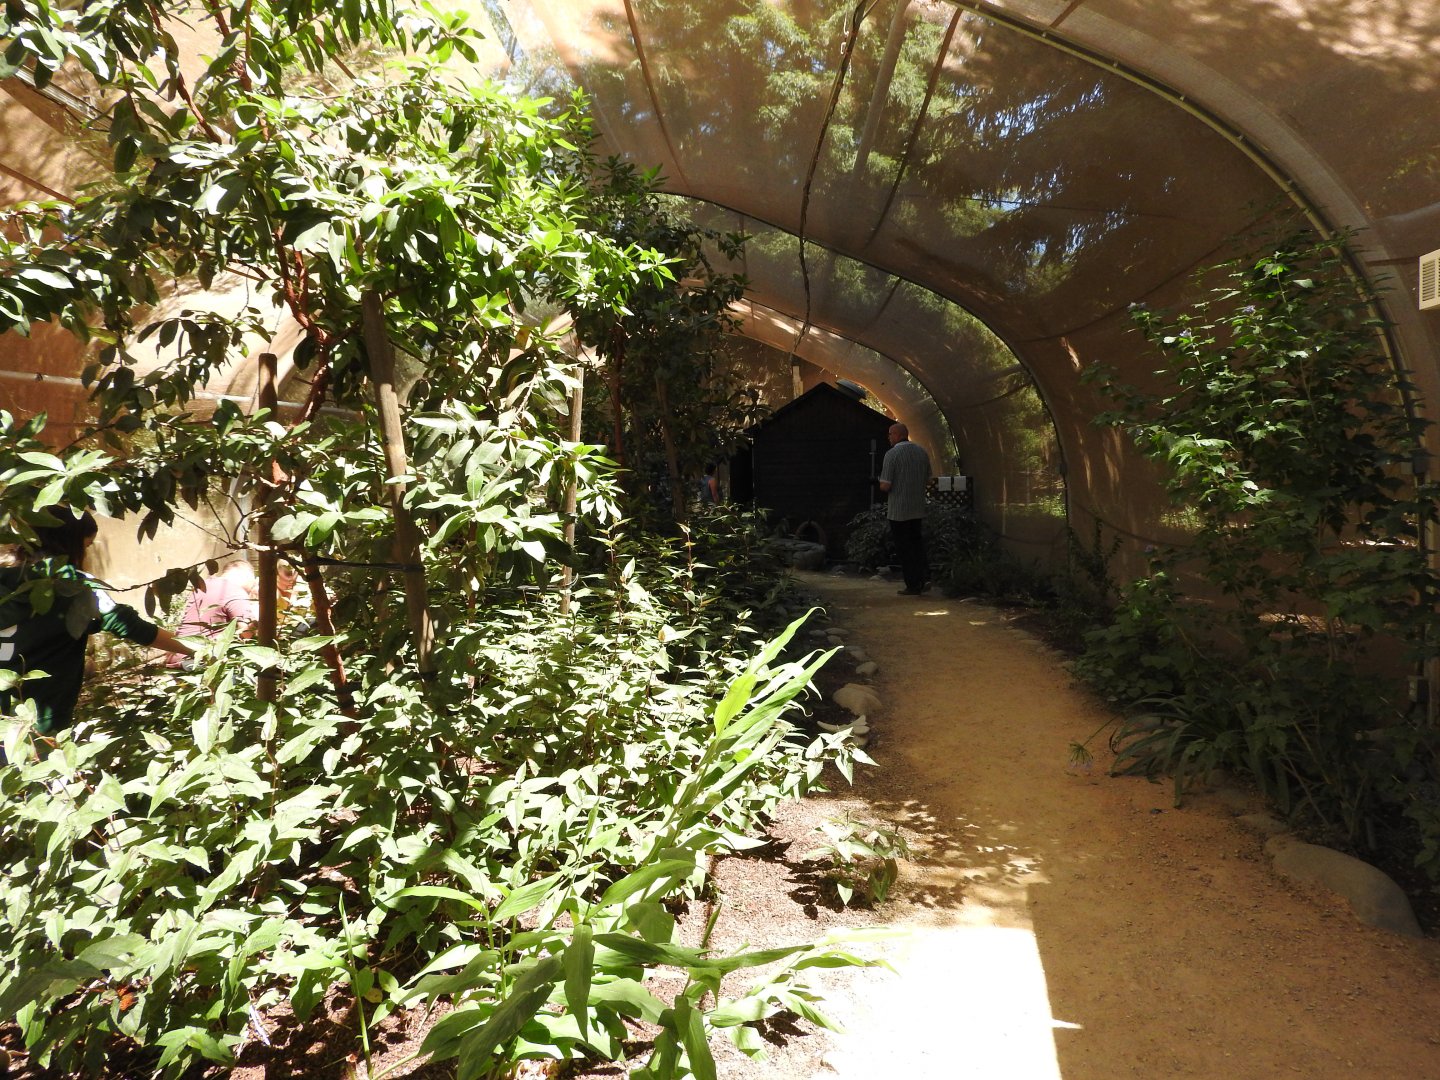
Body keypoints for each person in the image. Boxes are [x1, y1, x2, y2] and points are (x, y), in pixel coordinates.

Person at [0, 507, 192, 736]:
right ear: (70, 544)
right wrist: (201, 648)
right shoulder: (75, 584)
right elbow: (131, 626)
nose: (87, 554)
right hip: (38, 720)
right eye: (87, 546)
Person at [166, 558, 259, 667]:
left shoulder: (204, 585)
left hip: (177, 656)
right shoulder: (236, 591)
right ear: (247, 577)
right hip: (200, 661)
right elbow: (247, 633)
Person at [878, 422, 932, 596]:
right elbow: (929, 480)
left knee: (904, 548)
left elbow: (885, 485)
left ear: (898, 435)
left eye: (890, 434)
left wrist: (878, 482)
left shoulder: (891, 455)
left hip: (899, 511)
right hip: (917, 508)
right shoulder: (922, 452)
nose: (889, 438)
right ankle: (924, 578)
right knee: (917, 544)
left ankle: (912, 584)